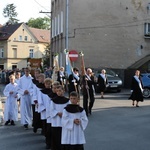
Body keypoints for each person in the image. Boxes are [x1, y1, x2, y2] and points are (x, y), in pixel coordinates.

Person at [50, 85, 70, 150]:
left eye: (60, 91)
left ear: (63, 91)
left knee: (64, 137)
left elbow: (69, 109)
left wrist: (64, 114)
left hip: (64, 122)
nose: (59, 92)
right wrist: (57, 113)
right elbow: (51, 110)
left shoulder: (67, 100)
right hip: (56, 122)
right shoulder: (53, 100)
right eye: (57, 91)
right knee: (56, 137)